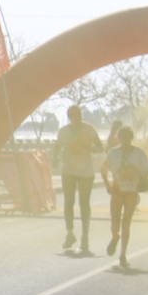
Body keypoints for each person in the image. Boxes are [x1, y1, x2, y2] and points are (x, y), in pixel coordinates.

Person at [100, 126, 148, 268]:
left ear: (131, 138)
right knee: (115, 219)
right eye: (122, 137)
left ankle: (123, 254)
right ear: (119, 138)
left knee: (127, 221)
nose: (125, 140)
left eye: (127, 137)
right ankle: (115, 237)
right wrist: (107, 185)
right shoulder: (113, 153)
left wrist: (136, 173)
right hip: (117, 189)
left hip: (131, 190)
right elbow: (103, 169)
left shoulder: (139, 153)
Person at [53, 105, 104, 252]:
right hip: (69, 170)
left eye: (78, 115)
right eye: (73, 115)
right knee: (68, 202)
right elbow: (57, 146)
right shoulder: (63, 131)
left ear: (80, 115)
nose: (76, 118)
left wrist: (87, 148)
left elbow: (100, 147)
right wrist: (55, 159)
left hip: (86, 172)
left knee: (84, 203)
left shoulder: (89, 129)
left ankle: (85, 236)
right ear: (69, 117)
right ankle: (70, 233)